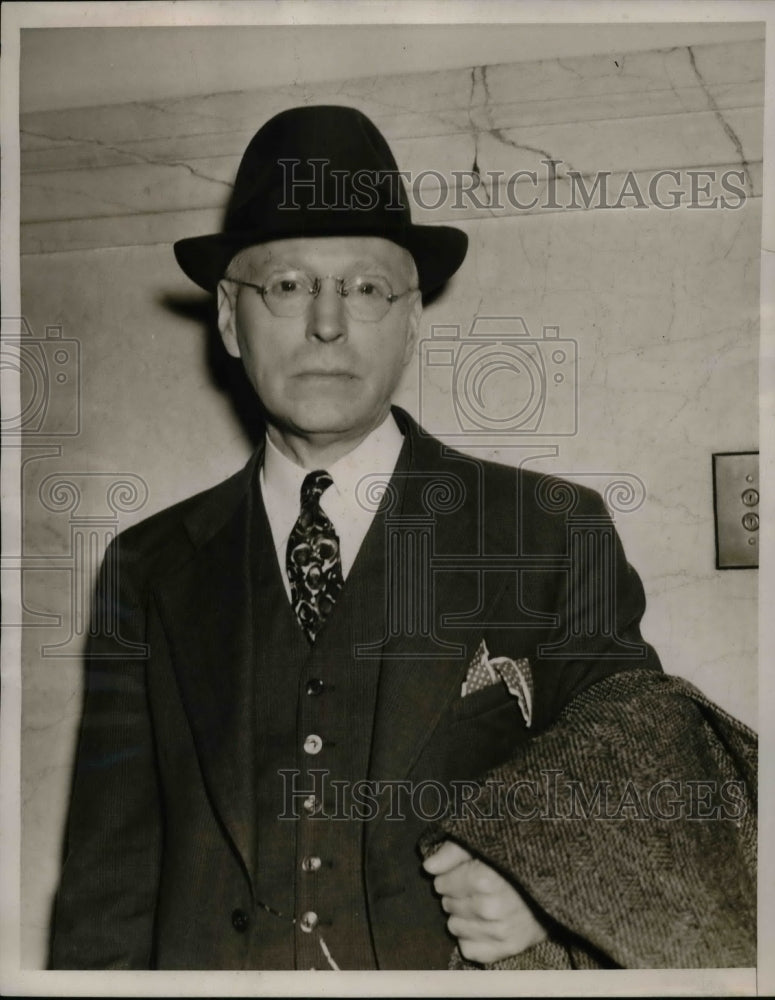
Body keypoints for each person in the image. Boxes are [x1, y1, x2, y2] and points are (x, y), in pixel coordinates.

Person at [50, 105, 756, 971]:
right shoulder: (145, 566)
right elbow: (105, 892)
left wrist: (546, 885)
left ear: (412, 318)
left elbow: (649, 763)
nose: (327, 323)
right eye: (288, 285)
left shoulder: (548, 531)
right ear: (231, 321)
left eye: (365, 287)